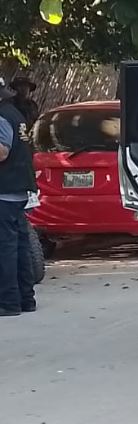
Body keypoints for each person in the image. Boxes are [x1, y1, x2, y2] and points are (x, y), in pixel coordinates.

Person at [0, 79, 38, 316]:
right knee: (20, 245)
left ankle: (9, 302)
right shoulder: (16, 114)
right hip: (18, 187)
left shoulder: (2, 116)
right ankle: (26, 299)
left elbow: (2, 151)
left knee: (6, 248)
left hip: (4, 189)